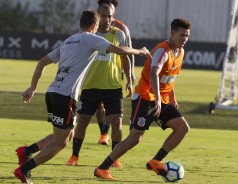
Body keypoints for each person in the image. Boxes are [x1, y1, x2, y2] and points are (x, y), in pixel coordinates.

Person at [13, 9, 149, 184]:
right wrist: (141, 51)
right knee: (60, 143)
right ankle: (24, 170)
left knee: (64, 136)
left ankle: (26, 152)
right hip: (65, 96)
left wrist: (32, 88)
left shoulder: (69, 40)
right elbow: (120, 50)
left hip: (53, 92)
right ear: (94, 25)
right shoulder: (90, 38)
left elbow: (42, 62)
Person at [94, 18, 192, 180]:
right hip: (146, 97)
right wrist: (158, 99)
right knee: (135, 137)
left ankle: (155, 161)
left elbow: (169, 77)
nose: (184, 39)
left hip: (161, 99)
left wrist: (171, 97)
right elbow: (154, 73)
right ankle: (102, 168)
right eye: (182, 35)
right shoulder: (163, 50)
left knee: (182, 127)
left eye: (187, 36)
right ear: (173, 33)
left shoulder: (180, 52)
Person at [66, 4, 131, 168]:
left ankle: (115, 158)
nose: (107, 19)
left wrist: (129, 78)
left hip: (113, 86)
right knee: (83, 121)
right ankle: (74, 156)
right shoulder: (89, 36)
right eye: (103, 16)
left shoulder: (119, 34)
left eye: (110, 16)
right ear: (97, 16)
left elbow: (125, 58)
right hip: (90, 85)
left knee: (117, 121)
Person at [95, 0, 135, 144]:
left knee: (110, 105)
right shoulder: (94, 25)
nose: (107, 17)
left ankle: (105, 134)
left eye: (110, 12)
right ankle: (103, 132)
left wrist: (131, 74)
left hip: (116, 70)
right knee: (98, 106)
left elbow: (128, 51)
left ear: (114, 11)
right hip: (95, 72)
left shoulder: (122, 28)